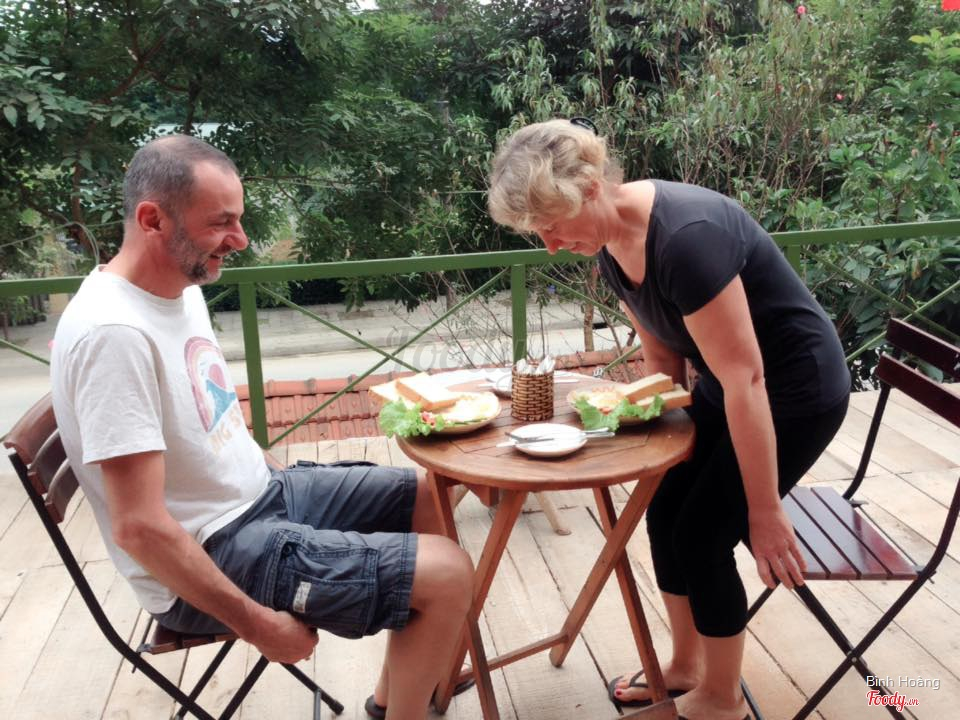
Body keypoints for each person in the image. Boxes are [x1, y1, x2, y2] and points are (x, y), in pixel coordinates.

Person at [50, 134, 474, 720]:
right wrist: (258, 626)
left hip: (258, 496)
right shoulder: (113, 335)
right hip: (210, 549)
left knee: (428, 494)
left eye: (239, 218)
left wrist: (269, 471)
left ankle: (394, 698)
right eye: (221, 222)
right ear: (152, 220)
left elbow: (210, 417)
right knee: (448, 575)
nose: (241, 239)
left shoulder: (177, 290)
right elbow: (139, 527)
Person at [487, 119, 850, 720]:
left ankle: (722, 700)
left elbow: (748, 380)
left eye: (553, 226)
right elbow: (662, 359)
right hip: (732, 385)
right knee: (666, 507)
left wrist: (764, 511)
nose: (549, 246)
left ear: (593, 187)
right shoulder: (609, 246)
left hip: (795, 391)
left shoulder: (686, 239)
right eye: (539, 233)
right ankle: (686, 667)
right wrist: (641, 437)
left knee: (703, 533)